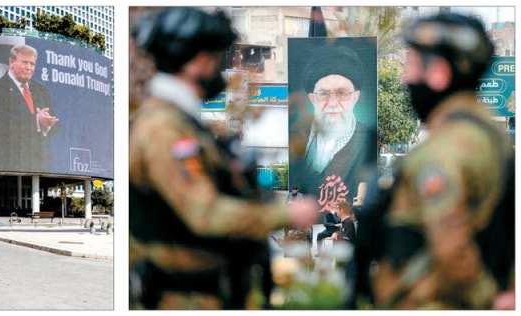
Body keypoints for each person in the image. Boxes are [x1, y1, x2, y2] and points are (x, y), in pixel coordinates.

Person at [129, 7, 317, 309]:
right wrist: (288, 215)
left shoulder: (181, 122)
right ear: (199, 61)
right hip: (183, 298)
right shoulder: (163, 128)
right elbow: (205, 214)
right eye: (219, 59)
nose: (221, 70)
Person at [357, 13, 514, 309]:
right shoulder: (491, 135)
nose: (405, 78)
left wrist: (490, 301)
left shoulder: (443, 151)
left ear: (439, 73)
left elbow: (451, 249)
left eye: (412, 65)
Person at [291, 44, 376, 210]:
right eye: (324, 94)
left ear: (355, 98)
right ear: (312, 98)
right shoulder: (297, 138)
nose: (333, 103)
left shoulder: (368, 139)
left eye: (342, 93)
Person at [0, 44, 60, 172]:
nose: (29, 68)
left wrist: (47, 124)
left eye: (32, 64)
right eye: (25, 63)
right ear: (11, 62)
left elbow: (56, 125)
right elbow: (1, 124)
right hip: (9, 166)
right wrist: (36, 121)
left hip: (39, 165)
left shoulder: (40, 89)